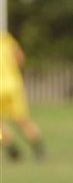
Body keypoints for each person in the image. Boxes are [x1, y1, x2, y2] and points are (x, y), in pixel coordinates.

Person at [0, 29, 45, 161]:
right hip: (13, 85)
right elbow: (20, 58)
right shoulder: (6, 39)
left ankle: (12, 150)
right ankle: (39, 151)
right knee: (22, 120)